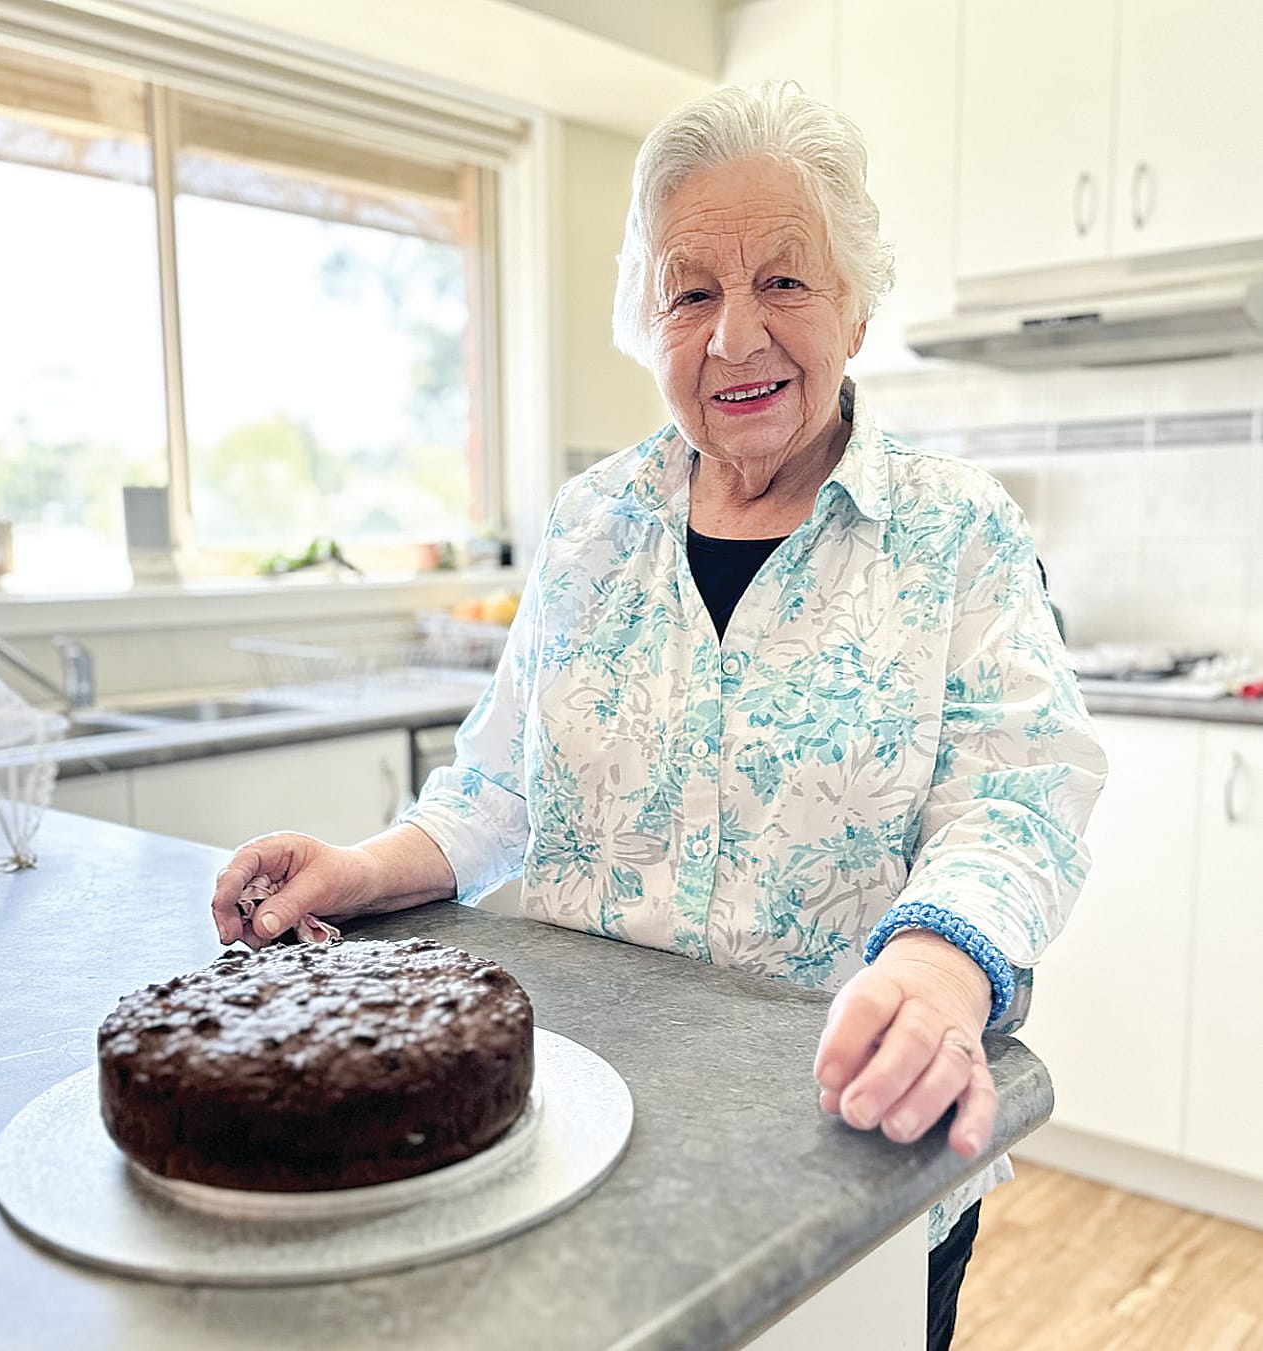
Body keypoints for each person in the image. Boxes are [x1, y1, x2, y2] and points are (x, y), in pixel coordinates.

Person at [211, 81, 1106, 1349]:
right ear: (650, 318)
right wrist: (363, 866)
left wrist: (935, 966)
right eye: (692, 293)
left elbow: (1020, 797)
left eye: (786, 283)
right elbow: (502, 785)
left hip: (841, 1143)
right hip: (578, 1125)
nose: (736, 337)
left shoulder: (958, 532)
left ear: (856, 304)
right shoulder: (592, 524)